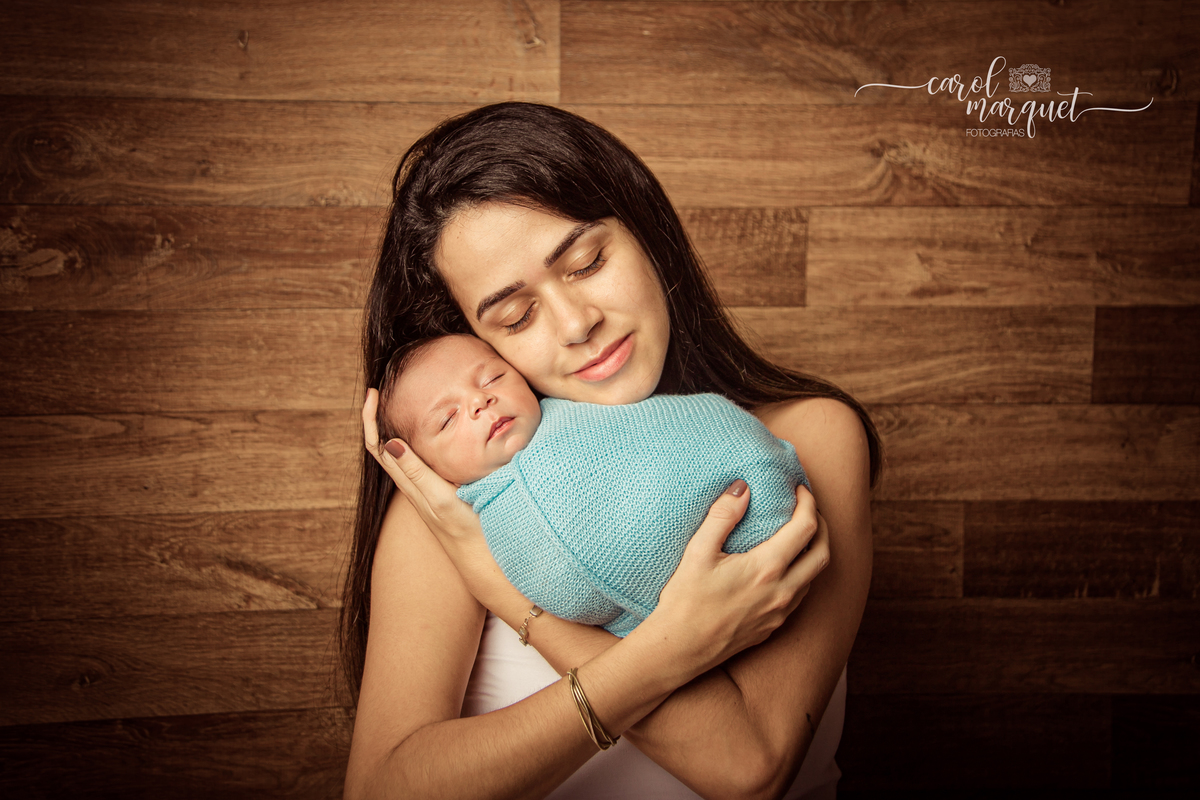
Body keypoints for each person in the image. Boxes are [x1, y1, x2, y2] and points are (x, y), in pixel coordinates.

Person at [341, 102, 882, 800]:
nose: (577, 324)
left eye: (588, 260)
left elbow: (750, 768)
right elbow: (380, 790)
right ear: (474, 342)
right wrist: (670, 650)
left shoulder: (808, 439)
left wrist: (501, 584)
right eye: (515, 315)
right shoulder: (454, 506)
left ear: (647, 233)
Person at [376, 332, 810, 637]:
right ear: (427, 469)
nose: (480, 401)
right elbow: (574, 586)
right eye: (447, 419)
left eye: (492, 378)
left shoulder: (577, 408)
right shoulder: (486, 519)